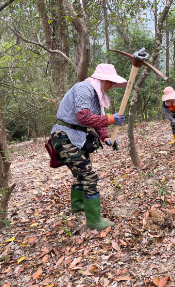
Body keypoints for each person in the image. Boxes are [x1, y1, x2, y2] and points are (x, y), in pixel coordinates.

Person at [50, 63, 127, 230]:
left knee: (82, 175)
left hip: (78, 137)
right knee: (89, 175)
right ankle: (94, 220)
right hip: (63, 136)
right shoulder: (83, 89)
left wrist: (106, 138)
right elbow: (84, 117)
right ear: (102, 80)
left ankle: (79, 208)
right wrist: (111, 119)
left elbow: (97, 121)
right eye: (110, 83)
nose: (111, 87)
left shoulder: (96, 95)